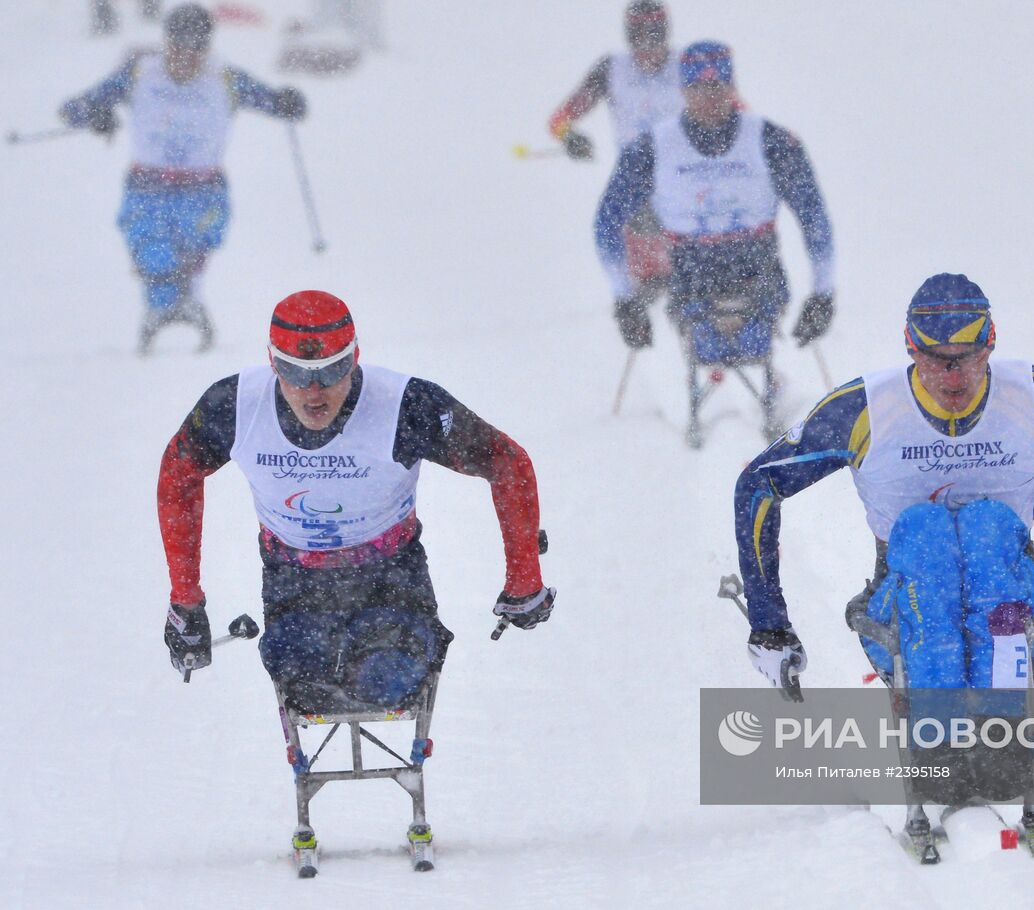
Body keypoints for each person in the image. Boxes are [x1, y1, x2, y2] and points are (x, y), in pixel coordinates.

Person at [733, 273, 1034, 702]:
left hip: (1011, 587)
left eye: (967, 358)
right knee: (925, 531)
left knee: (986, 528)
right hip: (904, 597)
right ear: (911, 349)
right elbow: (759, 483)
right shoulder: (866, 408)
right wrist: (769, 626)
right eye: (936, 360)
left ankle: (993, 713)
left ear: (990, 346)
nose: (954, 377)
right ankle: (953, 719)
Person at [157, 290, 555, 711]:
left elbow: (507, 462)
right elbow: (177, 477)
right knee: (305, 690)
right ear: (272, 363)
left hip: (390, 580)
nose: (314, 393)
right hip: (294, 582)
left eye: (332, 371)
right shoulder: (234, 406)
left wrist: (524, 575)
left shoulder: (405, 406)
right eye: (295, 372)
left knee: (386, 682)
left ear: (355, 358)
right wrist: (185, 599)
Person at [59, 3, 309, 355]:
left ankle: (184, 307)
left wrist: (286, 102)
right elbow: (75, 108)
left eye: (196, 47)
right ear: (167, 42)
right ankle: (163, 309)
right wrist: (96, 114)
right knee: (153, 251)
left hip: (203, 190)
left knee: (191, 251)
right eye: (179, 45)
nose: (186, 56)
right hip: (147, 188)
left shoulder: (225, 78)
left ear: (207, 46)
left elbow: (270, 101)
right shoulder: (139, 74)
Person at [594, 40, 835, 362]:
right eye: (699, 88)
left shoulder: (772, 141)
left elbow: (813, 215)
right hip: (691, 267)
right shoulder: (651, 147)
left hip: (756, 263)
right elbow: (607, 221)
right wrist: (625, 300)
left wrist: (822, 294)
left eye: (718, 86)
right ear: (683, 90)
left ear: (732, 87)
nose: (710, 97)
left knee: (754, 345)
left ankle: (769, 393)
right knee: (707, 348)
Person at [551, 1, 684, 304]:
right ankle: (644, 291)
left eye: (655, 34)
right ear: (628, 36)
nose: (647, 45)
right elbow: (559, 120)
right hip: (635, 175)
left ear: (666, 32)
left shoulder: (687, 64)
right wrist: (570, 137)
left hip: (682, 172)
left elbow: (732, 111)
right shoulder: (611, 69)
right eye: (638, 35)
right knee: (637, 230)